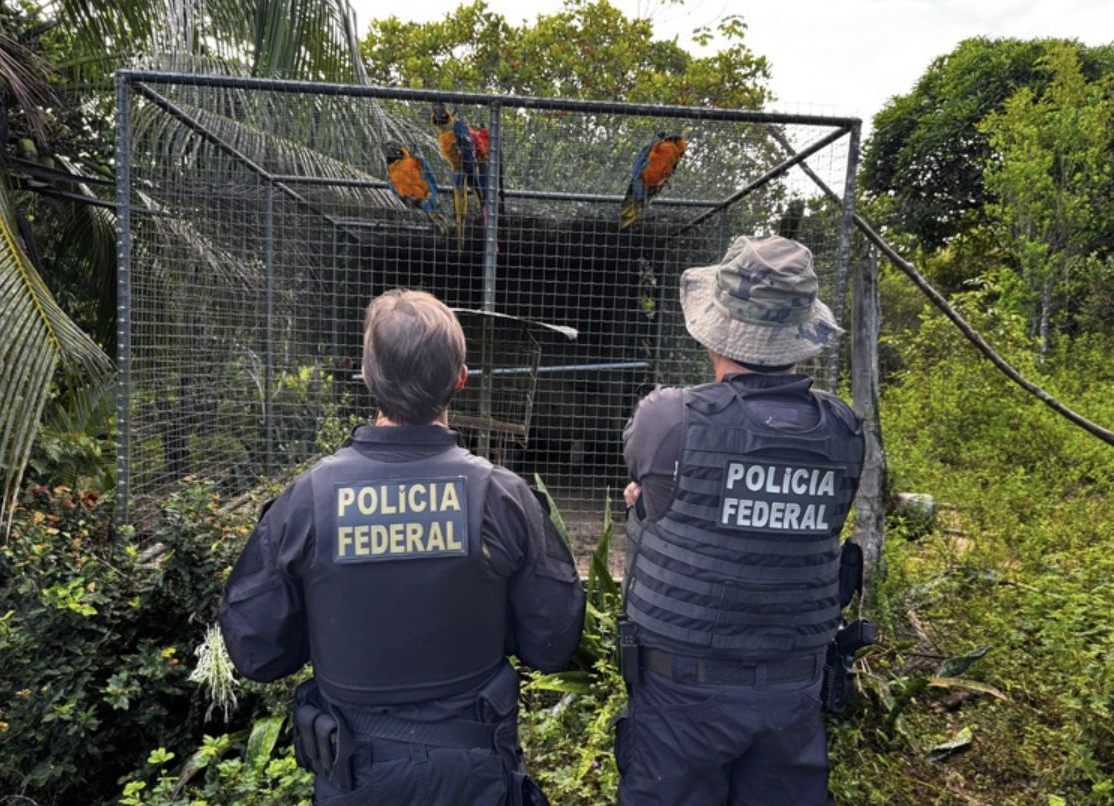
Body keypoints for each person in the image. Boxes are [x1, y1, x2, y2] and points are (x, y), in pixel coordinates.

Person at [220, 289, 585, 805]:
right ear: (460, 379)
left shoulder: (308, 500)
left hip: (356, 776)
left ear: (368, 377)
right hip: (474, 773)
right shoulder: (502, 497)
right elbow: (553, 641)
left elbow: (256, 651)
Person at [615, 235, 866, 805]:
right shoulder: (844, 431)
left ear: (718, 322)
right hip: (792, 696)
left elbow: (651, 492)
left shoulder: (669, 416)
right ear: (800, 333)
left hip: (681, 701)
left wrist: (645, 505)